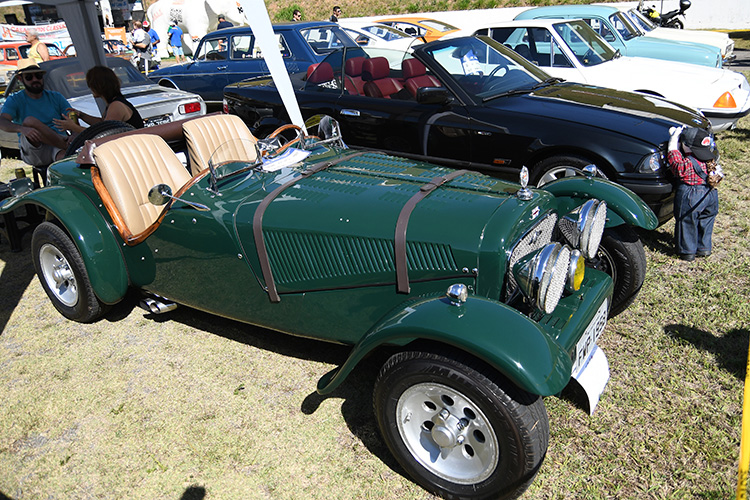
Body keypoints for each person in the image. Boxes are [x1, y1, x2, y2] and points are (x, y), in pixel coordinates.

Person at [667, 125, 722, 261]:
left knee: (687, 222)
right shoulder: (710, 160)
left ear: (686, 145)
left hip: (692, 195)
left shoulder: (687, 163)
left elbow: (675, 162)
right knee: (706, 221)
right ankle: (704, 248)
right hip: (710, 194)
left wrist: (673, 141)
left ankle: (687, 251)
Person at [0, 60, 70, 166]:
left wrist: (74, 133)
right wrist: (22, 128)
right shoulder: (15, 99)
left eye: (38, 76)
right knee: (30, 121)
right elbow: (2, 122)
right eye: (29, 77)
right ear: (20, 79)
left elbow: (71, 117)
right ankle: (67, 146)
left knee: (66, 160)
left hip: (57, 144)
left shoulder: (55, 97)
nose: (35, 80)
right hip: (35, 146)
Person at [53, 65, 144, 135]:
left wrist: (73, 127)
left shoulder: (116, 106)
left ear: (98, 86)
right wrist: (81, 115)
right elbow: (102, 123)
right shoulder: (114, 103)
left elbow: (103, 134)